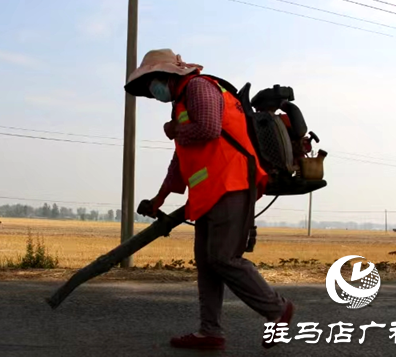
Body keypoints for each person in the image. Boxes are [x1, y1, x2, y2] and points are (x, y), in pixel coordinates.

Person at [124, 49, 294, 350]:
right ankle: (210, 332)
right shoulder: (180, 105)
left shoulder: (199, 87)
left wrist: (175, 129)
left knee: (223, 259)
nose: (153, 91)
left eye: (152, 82)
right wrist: (159, 198)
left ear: (166, 75)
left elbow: (208, 128)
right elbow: (182, 159)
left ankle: (277, 309)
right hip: (209, 193)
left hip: (232, 183)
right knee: (207, 264)